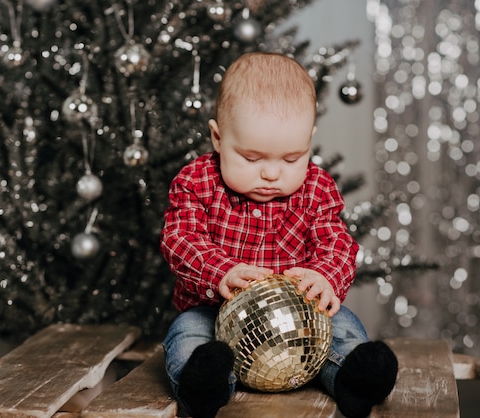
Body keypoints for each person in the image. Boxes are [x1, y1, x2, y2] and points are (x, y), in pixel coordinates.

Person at [160, 52, 398, 418]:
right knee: (187, 335)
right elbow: (180, 239)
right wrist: (221, 271)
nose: (272, 174)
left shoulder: (317, 188)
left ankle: (353, 380)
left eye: (291, 159)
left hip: (302, 320)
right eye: (252, 159)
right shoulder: (196, 181)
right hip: (214, 311)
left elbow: (337, 242)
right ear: (218, 138)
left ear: (309, 142)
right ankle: (204, 388)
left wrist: (325, 276)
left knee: (345, 326)